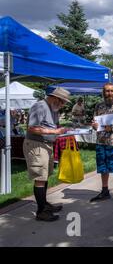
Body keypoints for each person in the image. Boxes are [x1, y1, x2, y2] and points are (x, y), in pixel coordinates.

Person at [23, 87, 70, 221]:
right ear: (56, 99)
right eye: (63, 102)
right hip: (36, 145)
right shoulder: (40, 107)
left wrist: (63, 130)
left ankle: (44, 204)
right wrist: (55, 132)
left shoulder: (53, 108)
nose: (63, 105)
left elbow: (52, 127)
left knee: (44, 177)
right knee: (40, 178)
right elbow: (32, 128)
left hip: (46, 145)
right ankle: (41, 211)